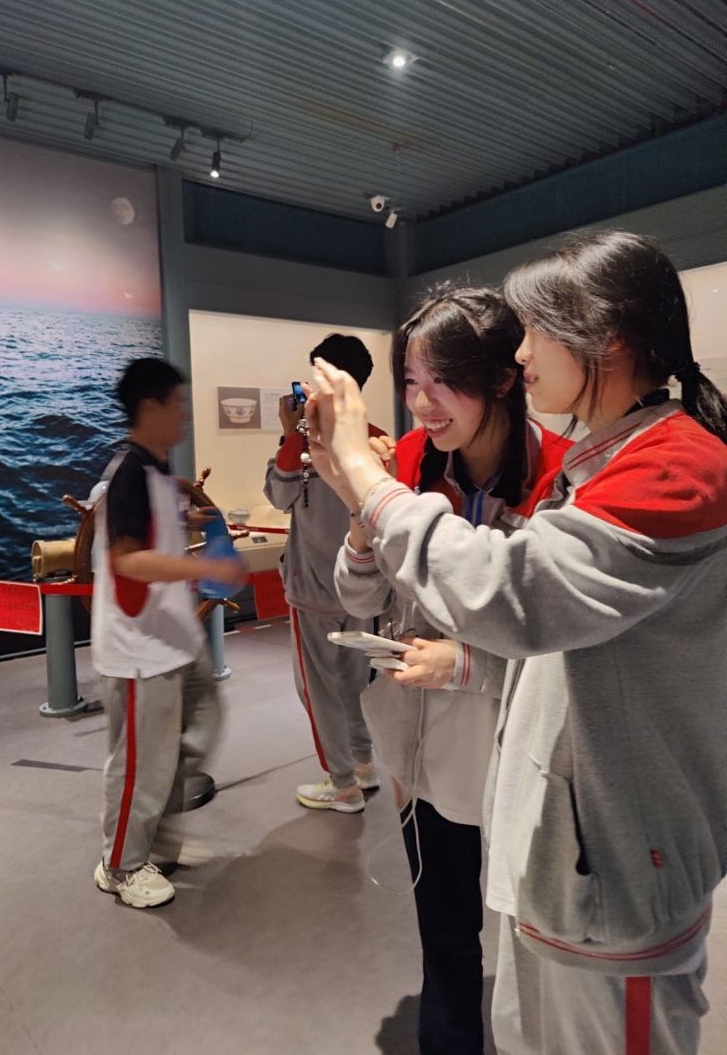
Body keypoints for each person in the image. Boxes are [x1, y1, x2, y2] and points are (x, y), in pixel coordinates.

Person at [304, 232, 727, 1055]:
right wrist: (364, 495)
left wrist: (364, 477)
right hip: (560, 844)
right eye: (410, 382)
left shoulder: (672, 466)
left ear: (606, 338)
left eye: (535, 331)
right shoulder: (605, 462)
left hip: (612, 869)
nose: (523, 351)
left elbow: (510, 594)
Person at [333, 286, 569, 1054]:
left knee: (539, 936)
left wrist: (465, 662)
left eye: (444, 381)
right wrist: (362, 522)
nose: (422, 404)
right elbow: (357, 596)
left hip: (528, 753)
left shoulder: (562, 478)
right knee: (444, 931)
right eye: (411, 380)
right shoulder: (406, 462)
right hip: (426, 752)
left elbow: (565, 650)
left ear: (504, 376)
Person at [91, 357, 245, 908]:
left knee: (198, 724)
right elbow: (127, 560)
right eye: (176, 403)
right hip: (140, 647)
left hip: (173, 638)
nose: (184, 414)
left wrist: (187, 524)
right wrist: (206, 566)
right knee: (142, 762)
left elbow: (151, 530)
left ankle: (154, 840)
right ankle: (121, 865)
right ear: (149, 406)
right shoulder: (128, 473)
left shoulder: (155, 470)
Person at [264, 333, 386, 813]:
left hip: (313, 590)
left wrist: (290, 432)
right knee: (355, 683)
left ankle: (342, 784)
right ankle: (363, 764)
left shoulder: (307, 442)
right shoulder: (377, 439)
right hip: (362, 589)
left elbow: (279, 496)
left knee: (317, 689)